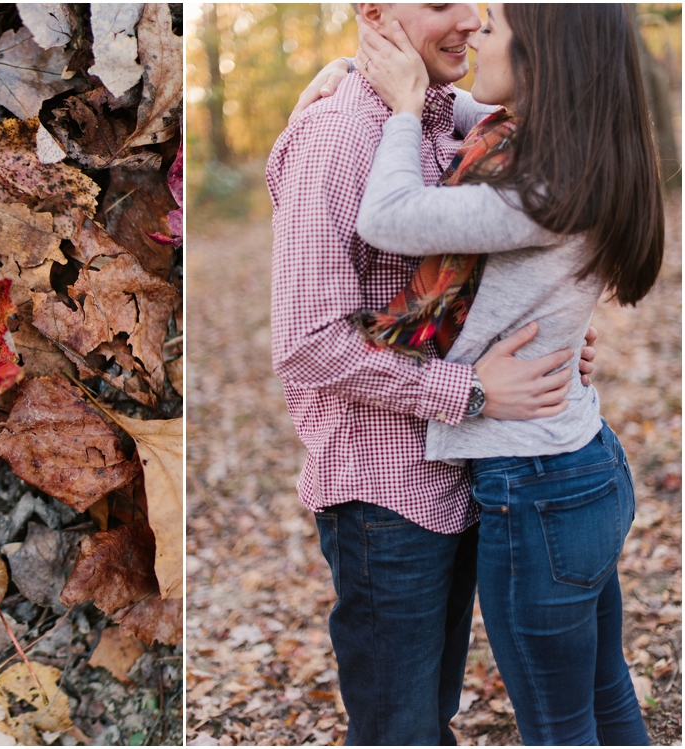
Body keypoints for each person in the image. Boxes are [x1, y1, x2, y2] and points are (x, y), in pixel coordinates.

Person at [267, 3, 597, 745]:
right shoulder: (337, 137)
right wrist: (472, 392)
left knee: (430, 716)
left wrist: (559, 331)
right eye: (442, 2)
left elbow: (481, 263)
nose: (473, 20)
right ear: (374, 11)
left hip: (462, 474)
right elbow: (308, 343)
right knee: (399, 729)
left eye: (473, 1)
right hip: (386, 497)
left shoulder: (445, 118)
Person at [345, 4, 661, 744]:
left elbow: (387, 216)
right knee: (604, 688)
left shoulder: (541, 189)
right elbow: (469, 104)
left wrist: (398, 109)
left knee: (559, 725)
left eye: (497, 29)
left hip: (536, 486)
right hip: (581, 464)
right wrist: (366, 73)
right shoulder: (573, 155)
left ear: (546, 57)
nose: (479, 33)